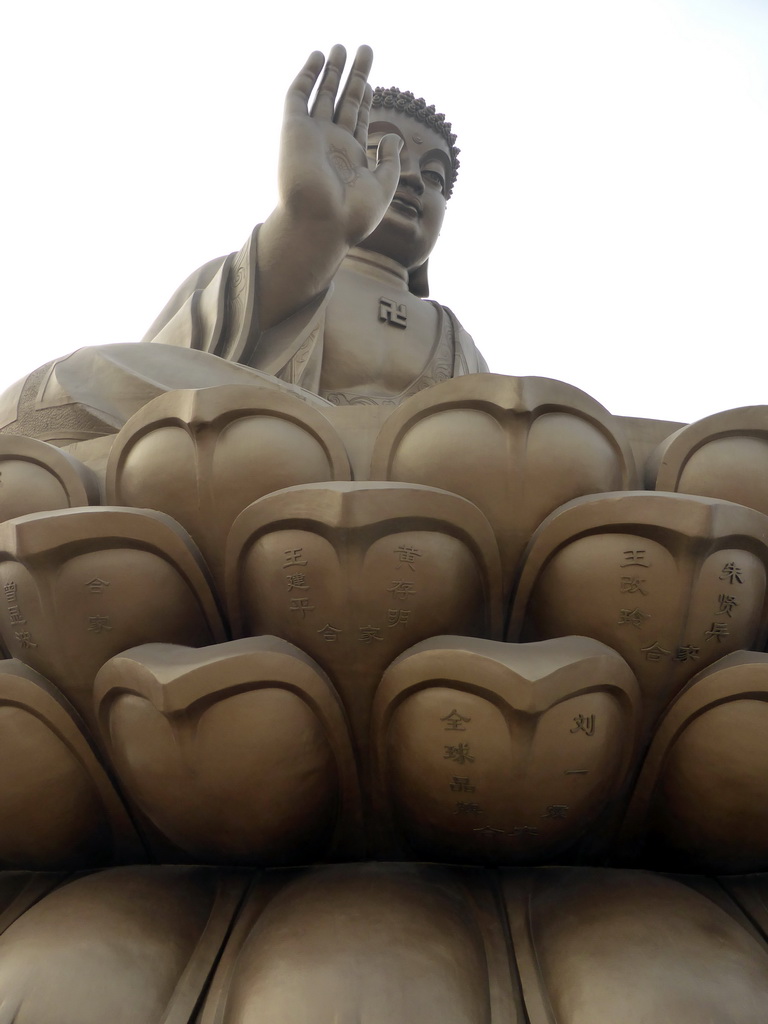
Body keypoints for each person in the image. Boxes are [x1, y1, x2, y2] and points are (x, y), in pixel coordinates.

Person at [0, 46, 487, 442]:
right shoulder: (260, 266)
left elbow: (487, 435)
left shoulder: (454, 338)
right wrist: (310, 229)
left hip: (400, 465)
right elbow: (180, 365)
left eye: (435, 177)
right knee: (74, 380)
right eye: (380, 153)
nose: (410, 179)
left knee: (545, 426)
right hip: (274, 435)